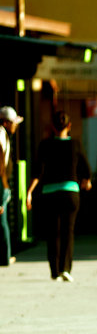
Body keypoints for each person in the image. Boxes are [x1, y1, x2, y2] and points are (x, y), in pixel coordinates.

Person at [27, 111, 91, 282]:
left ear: (52, 127)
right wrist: (87, 181)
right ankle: (66, 269)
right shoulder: (76, 145)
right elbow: (86, 169)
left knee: (52, 232)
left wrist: (29, 193)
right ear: (69, 126)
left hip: (50, 194)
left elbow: (37, 172)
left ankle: (54, 271)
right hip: (70, 192)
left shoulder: (45, 145)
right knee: (68, 231)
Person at [0, 105, 21, 267]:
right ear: (6, 122)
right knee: (3, 221)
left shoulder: (4, 135)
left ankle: (5, 256)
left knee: (3, 221)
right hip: (2, 184)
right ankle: (5, 256)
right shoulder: (1, 135)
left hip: (3, 183)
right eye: (13, 122)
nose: (15, 125)